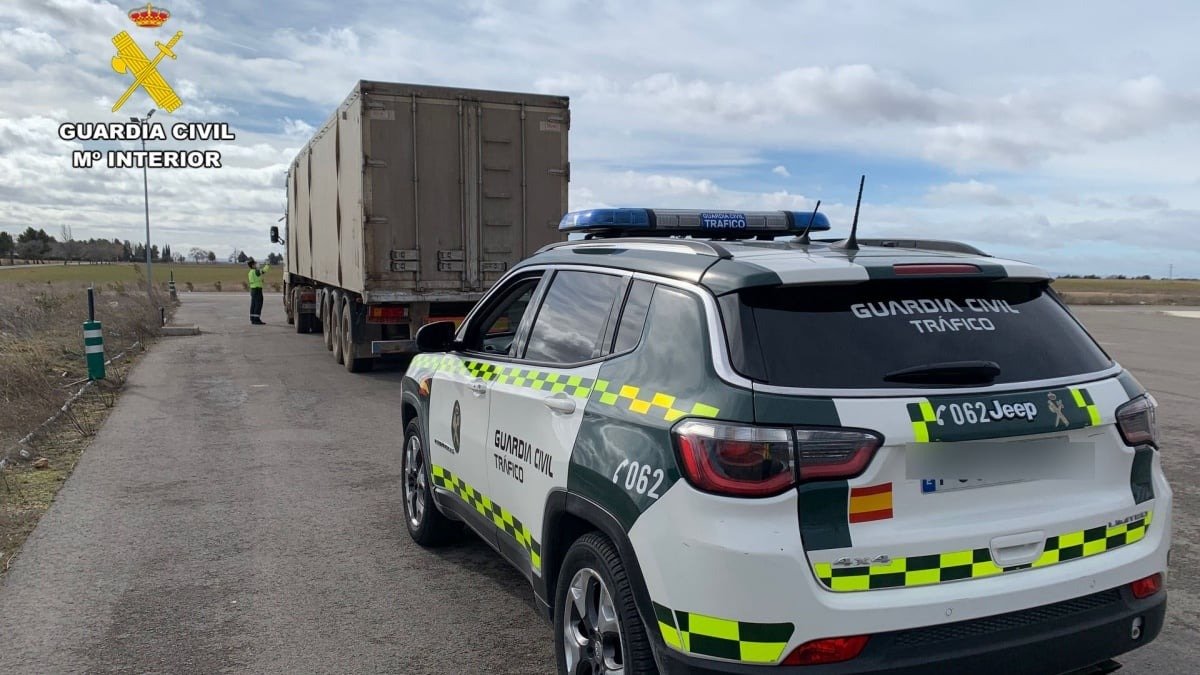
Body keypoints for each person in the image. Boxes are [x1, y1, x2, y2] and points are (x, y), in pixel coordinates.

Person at [247, 258, 270, 324]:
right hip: (257, 290)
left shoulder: (250, 272)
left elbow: (257, 278)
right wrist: (267, 265)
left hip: (253, 290)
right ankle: (256, 319)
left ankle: (252, 319)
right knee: (258, 305)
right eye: (255, 264)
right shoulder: (256, 271)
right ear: (252, 265)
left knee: (253, 305)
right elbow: (263, 271)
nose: (257, 264)